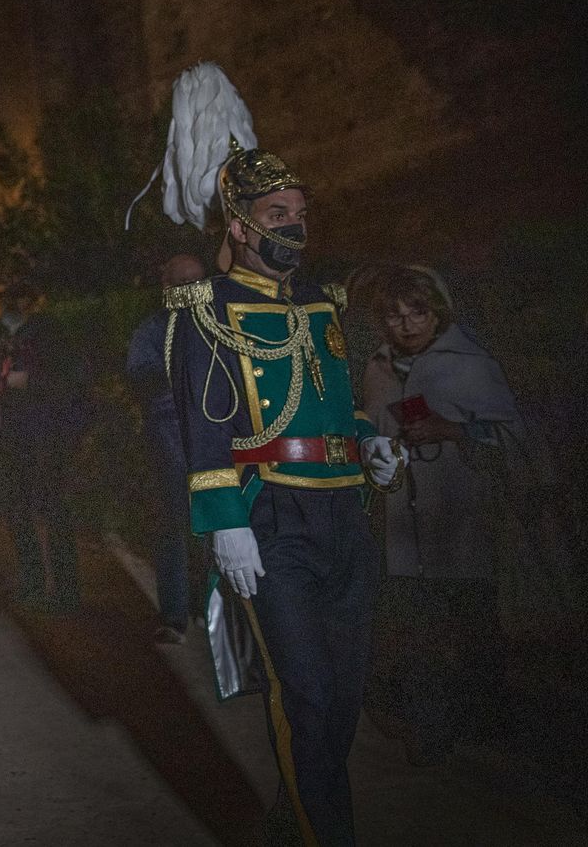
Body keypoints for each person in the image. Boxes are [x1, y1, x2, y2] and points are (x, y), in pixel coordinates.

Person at [158, 64, 406, 846]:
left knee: (339, 700)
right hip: (273, 519)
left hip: (343, 512)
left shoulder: (320, 305)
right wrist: (225, 521)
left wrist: (372, 444)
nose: (294, 224)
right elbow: (204, 430)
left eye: (299, 211)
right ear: (238, 225)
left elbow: (337, 406)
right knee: (302, 695)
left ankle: (290, 819)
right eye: (276, 213)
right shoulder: (206, 311)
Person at [359, 265, 547, 764]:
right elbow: (363, 430)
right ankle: (430, 733)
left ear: (437, 312)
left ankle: (490, 733)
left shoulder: (470, 364)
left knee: (473, 629)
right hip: (400, 526)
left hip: (462, 525)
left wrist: (455, 431)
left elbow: (516, 442)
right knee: (417, 633)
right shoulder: (377, 370)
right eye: (394, 315)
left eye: (417, 312)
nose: (407, 325)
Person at [0, 286, 90, 612]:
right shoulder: (15, 337)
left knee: (48, 510)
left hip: (43, 436)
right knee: (23, 510)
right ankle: (37, 585)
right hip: (21, 436)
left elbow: (65, 379)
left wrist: (27, 380)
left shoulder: (48, 333)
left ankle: (61, 592)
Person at [126, 252, 207, 644]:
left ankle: (216, 612)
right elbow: (138, 377)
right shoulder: (153, 330)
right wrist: (180, 368)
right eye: (184, 285)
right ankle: (175, 616)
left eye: (198, 283)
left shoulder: (219, 325)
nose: (193, 292)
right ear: (166, 287)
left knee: (218, 529)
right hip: (169, 446)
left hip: (216, 446)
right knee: (173, 531)